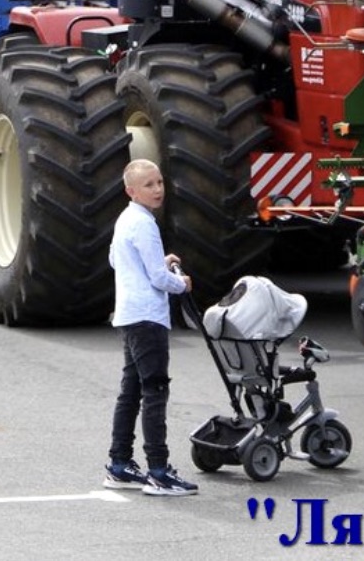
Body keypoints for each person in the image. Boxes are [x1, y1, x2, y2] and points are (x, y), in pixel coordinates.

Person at [104, 159, 200, 497]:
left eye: (159, 182)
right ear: (131, 190)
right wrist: (181, 283)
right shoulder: (145, 224)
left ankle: (119, 464)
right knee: (155, 391)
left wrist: (159, 262)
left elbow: (117, 260)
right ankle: (159, 471)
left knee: (131, 391)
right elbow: (159, 279)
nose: (158, 189)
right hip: (148, 318)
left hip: (129, 315)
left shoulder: (125, 219)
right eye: (149, 185)